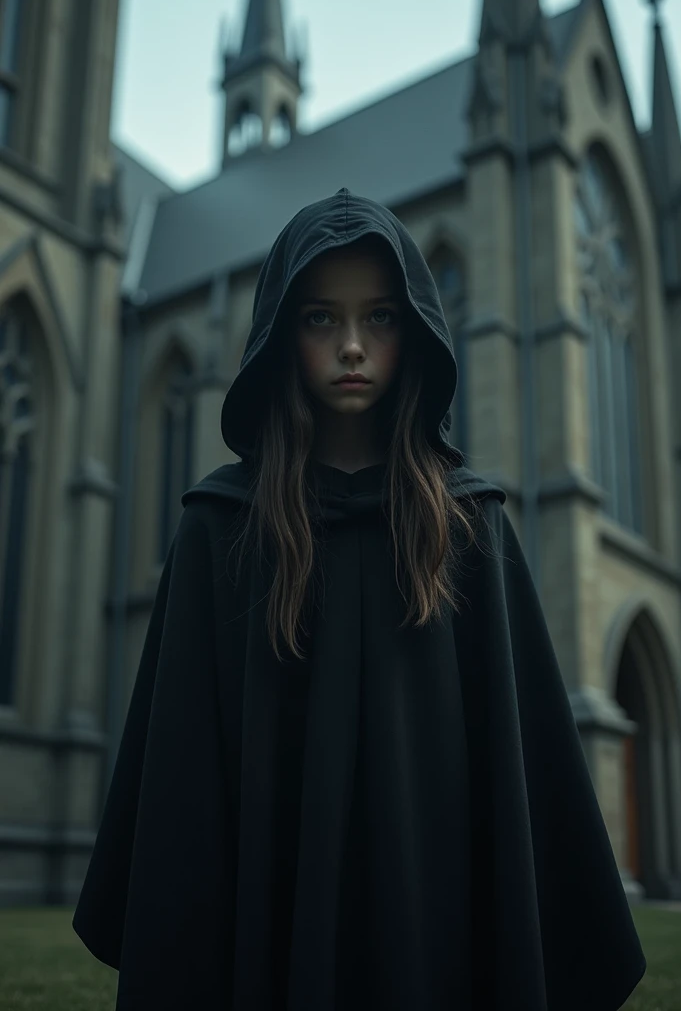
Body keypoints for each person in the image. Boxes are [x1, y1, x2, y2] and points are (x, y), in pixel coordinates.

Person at [72, 187, 647, 1010]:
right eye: (319, 319)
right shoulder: (221, 533)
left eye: (378, 317)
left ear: (412, 329)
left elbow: (523, 783)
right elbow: (182, 801)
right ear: (281, 332)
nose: (351, 346)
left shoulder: (469, 529)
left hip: (436, 937)